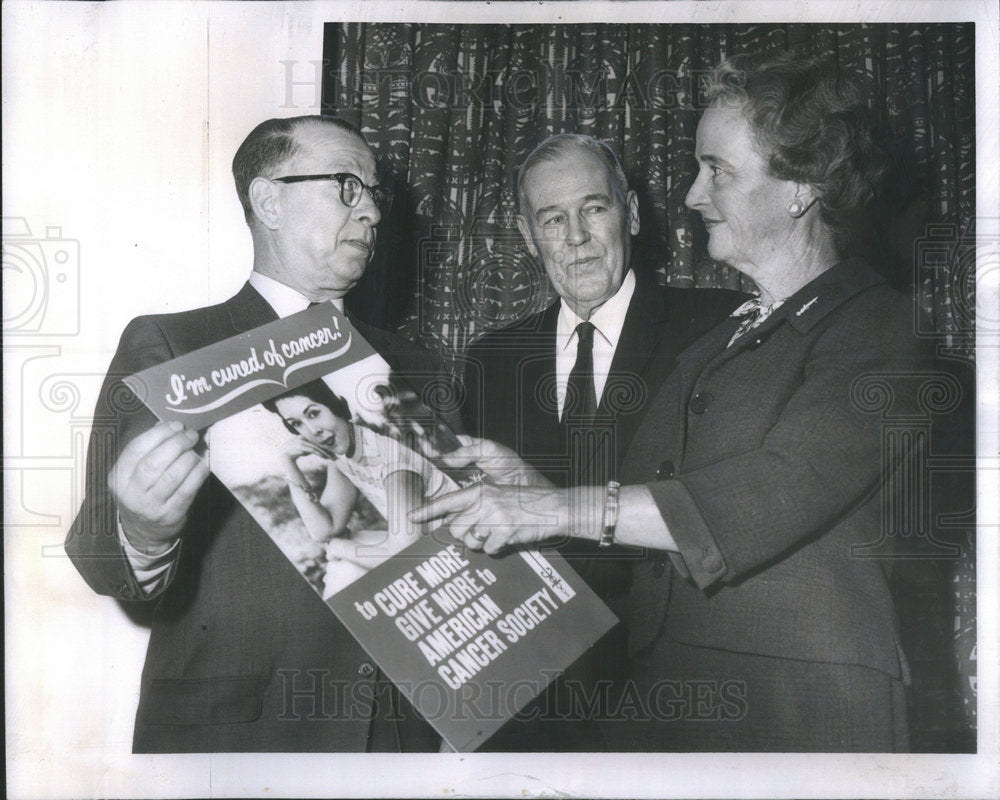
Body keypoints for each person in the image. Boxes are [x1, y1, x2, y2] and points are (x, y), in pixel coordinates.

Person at [414, 54, 928, 751]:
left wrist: (547, 507)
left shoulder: (877, 325)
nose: (689, 195)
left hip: (802, 710)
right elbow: (648, 500)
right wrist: (533, 490)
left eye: (717, 170)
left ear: (802, 187)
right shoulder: (725, 341)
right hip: (672, 701)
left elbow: (774, 489)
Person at [64, 115, 445, 752]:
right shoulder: (173, 346)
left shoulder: (420, 367)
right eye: (348, 187)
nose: (373, 212)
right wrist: (144, 531)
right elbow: (101, 549)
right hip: (241, 735)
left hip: (395, 737)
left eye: (377, 194)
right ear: (269, 199)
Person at [460, 134, 743, 750]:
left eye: (594, 208)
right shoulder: (490, 361)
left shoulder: (720, 329)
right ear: (529, 235)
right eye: (552, 219)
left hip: (678, 698)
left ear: (632, 212)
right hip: (525, 707)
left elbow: (736, 509)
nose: (576, 237)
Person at [262, 380, 458, 595]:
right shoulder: (345, 458)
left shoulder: (393, 466)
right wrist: (288, 463)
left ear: (336, 407)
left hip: (460, 555)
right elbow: (324, 529)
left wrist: (338, 548)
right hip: (431, 546)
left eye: (313, 414)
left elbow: (406, 559)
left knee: (345, 560)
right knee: (346, 558)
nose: (312, 431)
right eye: (296, 424)